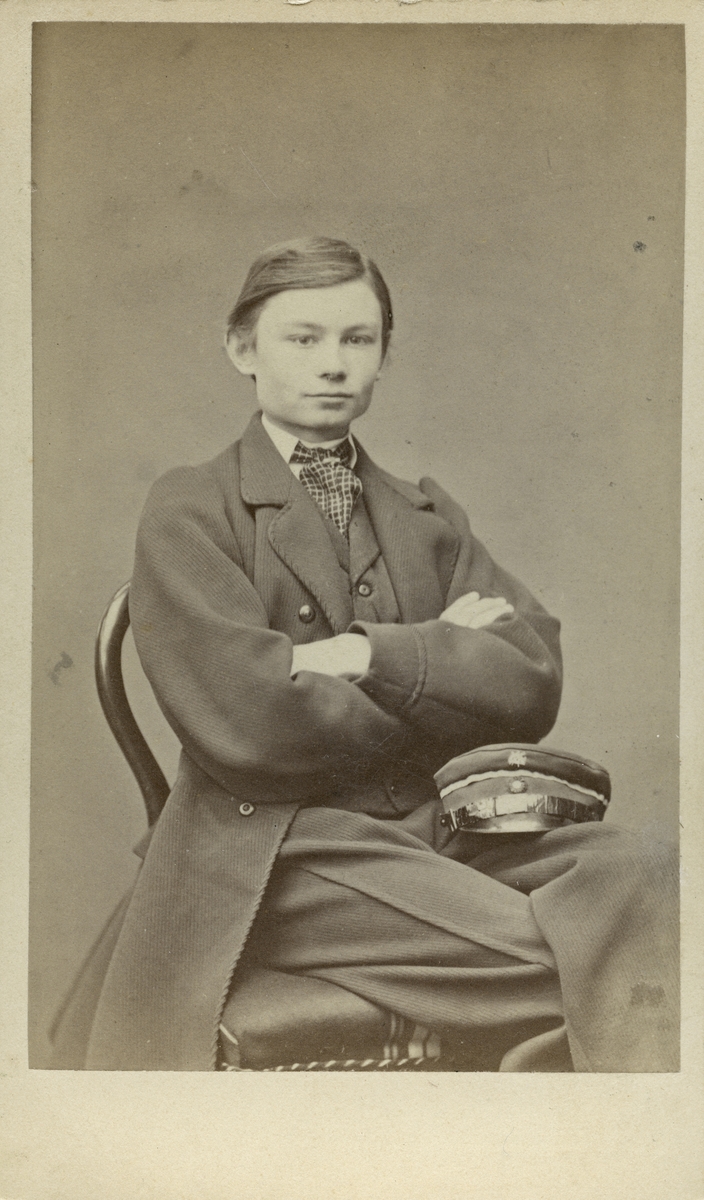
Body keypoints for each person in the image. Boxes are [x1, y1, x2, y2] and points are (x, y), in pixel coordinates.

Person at [50, 237, 678, 1072]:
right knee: (606, 960)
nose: (333, 363)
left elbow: (530, 678)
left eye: (358, 338)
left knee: (650, 879)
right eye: (302, 338)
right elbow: (253, 726)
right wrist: (443, 666)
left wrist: (354, 656)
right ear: (242, 348)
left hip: (438, 829)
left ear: (385, 353)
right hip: (276, 851)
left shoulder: (425, 516)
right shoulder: (191, 509)